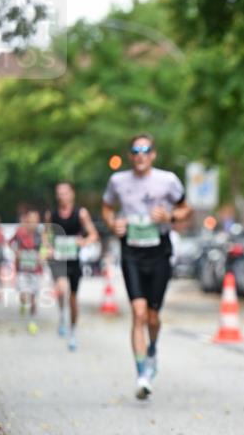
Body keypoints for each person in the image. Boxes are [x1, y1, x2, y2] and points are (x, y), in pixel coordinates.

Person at [101, 134, 191, 400]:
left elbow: (186, 209)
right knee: (138, 313)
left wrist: (170, 216)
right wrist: (113, 224)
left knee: (152, 316)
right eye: (136, 150)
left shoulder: (168, 180)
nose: (140, 154)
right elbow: (106, 208)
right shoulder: (118, 181)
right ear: (130, 156)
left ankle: (152, 348)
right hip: (131, 251)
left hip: (159, 250)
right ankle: (142, 375)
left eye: (145, 150)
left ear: (153, 154)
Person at [46, 182, 99, 351]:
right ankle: (62, 315)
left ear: (72, 194)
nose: (62, 196)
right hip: (58, 260)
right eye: (59, 193)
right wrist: (48, 247)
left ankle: (73, 330)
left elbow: (94, 235)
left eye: (65, 193)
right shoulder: (52, 214)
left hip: (74, 260)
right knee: (62, 290)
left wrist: (83, 242)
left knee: (73, 298)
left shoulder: (81, 213)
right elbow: (46, 234)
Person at [10, 209, 44, 334]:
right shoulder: (20, 232)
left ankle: (32, 322)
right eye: (31, 219)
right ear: (27, 220)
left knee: (33, 298)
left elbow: (46, 248)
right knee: (24, 296)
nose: (33, 222)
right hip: (22, 270)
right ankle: (23, 304)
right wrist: (16, 252)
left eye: (36, 220)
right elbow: (10, 243)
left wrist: (42, 256)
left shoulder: (40, 234)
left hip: (36, 270)